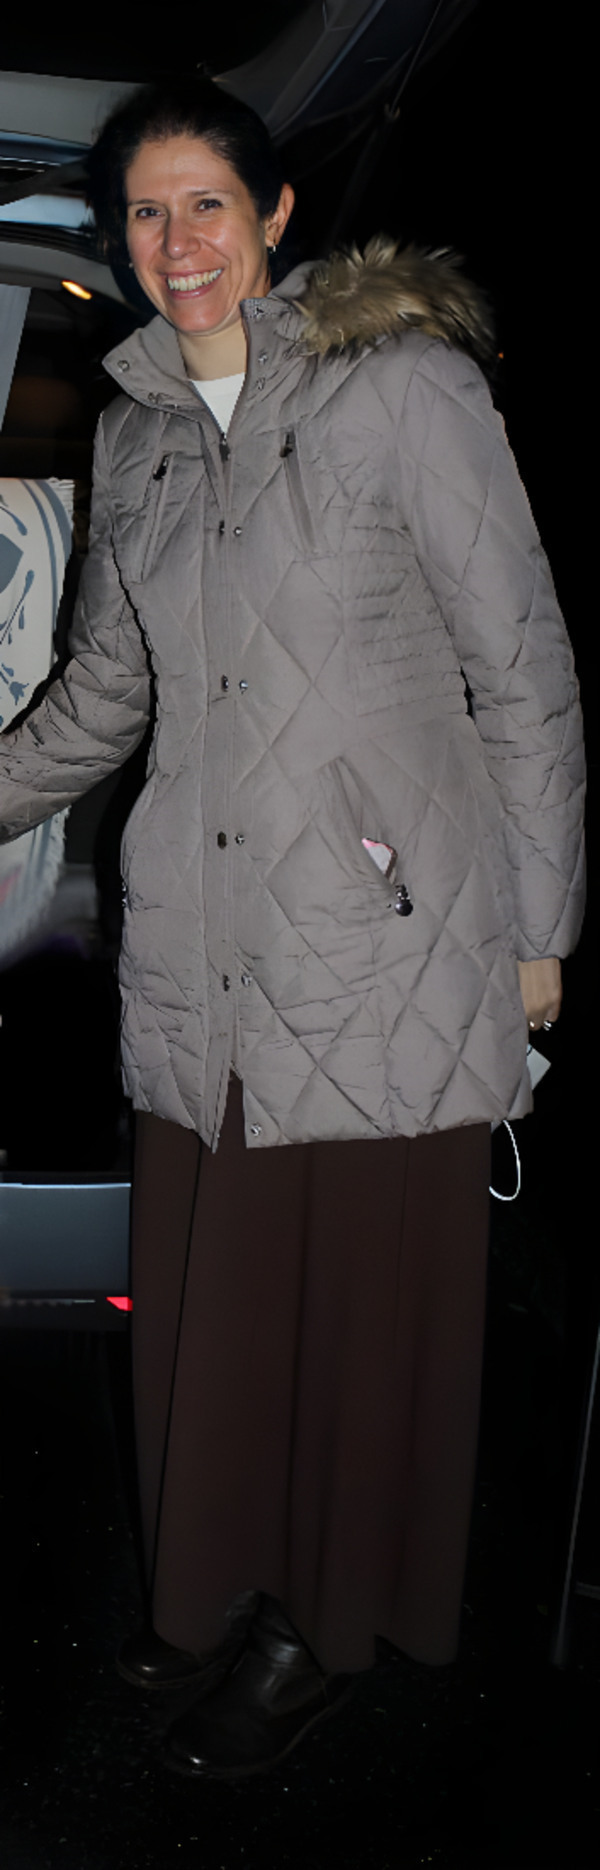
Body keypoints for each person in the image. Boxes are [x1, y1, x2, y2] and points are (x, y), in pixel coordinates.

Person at [0, 78, 585, 1779]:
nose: (174, 241)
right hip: (206, 944)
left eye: (207, 204)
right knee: (219, 1302)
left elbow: (523, 664)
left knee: (356, 1315)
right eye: (145, 211)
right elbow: (104, 693)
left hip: (391, 941)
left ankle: (321, 1627)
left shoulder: (402, 390)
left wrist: (540, 928)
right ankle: (208, 1584)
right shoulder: (135, 436)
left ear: (273, 217)